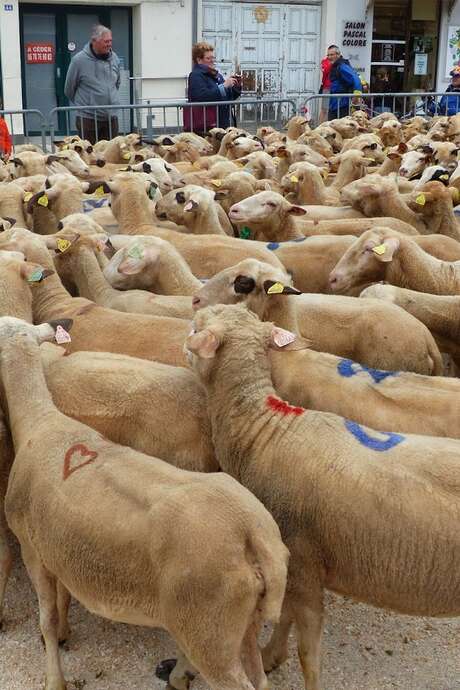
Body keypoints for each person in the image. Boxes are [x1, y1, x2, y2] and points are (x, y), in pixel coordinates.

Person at [64, 25, 120, 144]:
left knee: (111, 158)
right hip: (88, 119)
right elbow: (69, 89)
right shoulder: (78, 61)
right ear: (94, 41)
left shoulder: (114, 58)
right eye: (106, 41)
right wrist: (87, 104)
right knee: (91, 158)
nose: (109, 44)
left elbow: (117, 83)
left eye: (110, 41)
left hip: (111, 117)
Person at [184, 42, 241, 135]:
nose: (212, 60)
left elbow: (227, 97)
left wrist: (236, 86)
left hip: (222, 122)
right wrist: (224, 86)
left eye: (212, 58)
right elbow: (202, 97)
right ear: (199, 60)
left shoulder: (216, 75)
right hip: (206, 126)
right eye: (208, 58)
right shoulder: (195, 75)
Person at [326, 45, 362, 120]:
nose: (329, 57)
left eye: (332, 55)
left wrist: (356, 95)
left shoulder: (342, 66)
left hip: (342, 104)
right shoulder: (335, 66)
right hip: (334, 104)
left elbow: (356, 78)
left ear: (338, 55)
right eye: (328, 55)